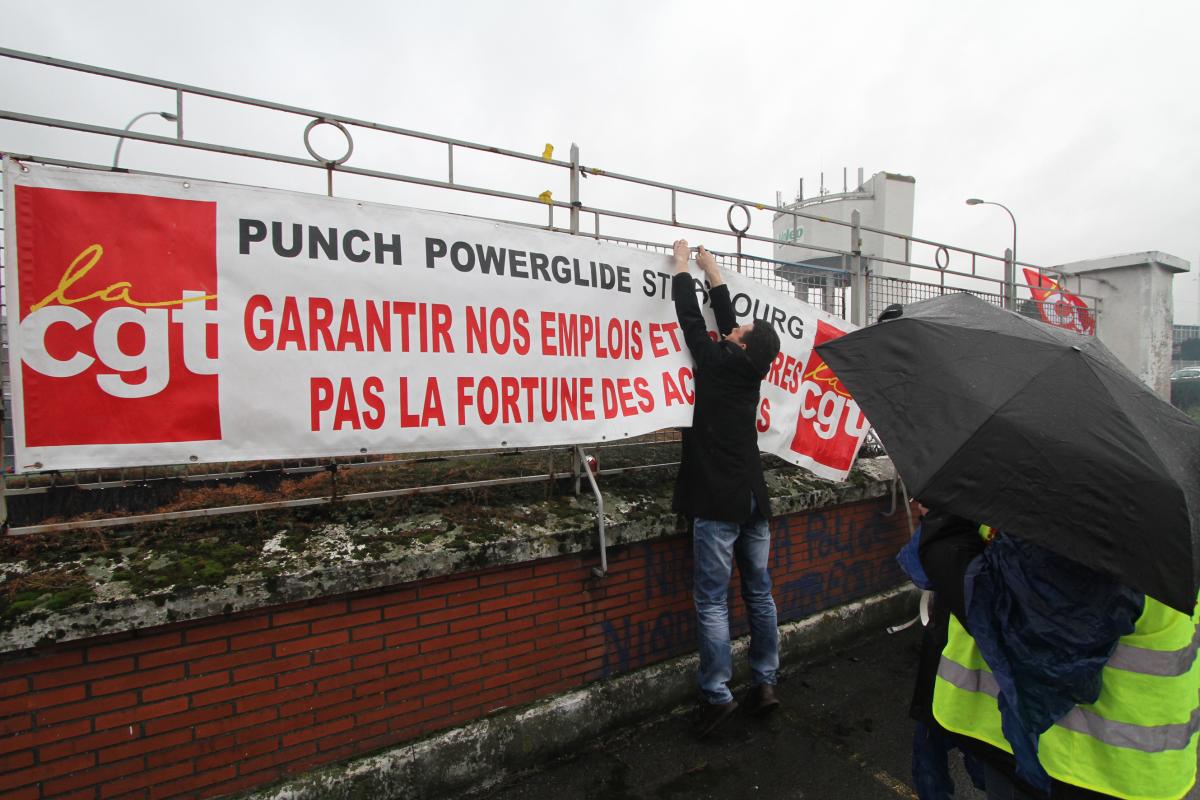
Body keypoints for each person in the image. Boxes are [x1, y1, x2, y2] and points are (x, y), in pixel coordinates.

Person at [914, 512, 1199, 800]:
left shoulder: (1087, 516)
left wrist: (944, 523)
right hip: (1145, 759)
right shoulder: (1176, 512)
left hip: (1064, 763)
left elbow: (1010, 620)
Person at [670, 239, 783, 738]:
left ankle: (717, 694)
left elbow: (691, 321)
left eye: (738, 331)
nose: (733, 327)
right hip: (753, 499)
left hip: (718, 502)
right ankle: (765, 682)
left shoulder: (716, 362)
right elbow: (725, 319)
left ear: (739, 345)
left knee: (713, 601)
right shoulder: (749, 366)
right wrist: (713, 271)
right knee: (759, 593)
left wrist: (680, 270)